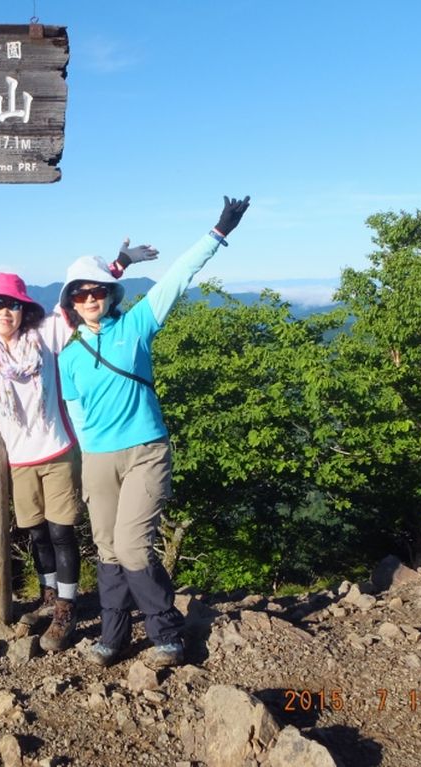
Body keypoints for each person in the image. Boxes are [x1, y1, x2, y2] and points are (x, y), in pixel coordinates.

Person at [58, 195, 250, 667]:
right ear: (70, 302)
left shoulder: (137, 325)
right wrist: (89, 456)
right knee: (105, 547)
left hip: (145, 451)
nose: (89, 300)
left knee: (130, 544)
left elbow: (178, 277)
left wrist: (218, 232)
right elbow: (76, 412)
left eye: (96, 291)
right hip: (100, 461)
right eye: (79, 294)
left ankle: (166, 633)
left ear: (110, 293)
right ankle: (113, 636)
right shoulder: (69, 355)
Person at [0, 240, 157, 652]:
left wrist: (120, 263)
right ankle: (48, 595)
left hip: (56, 451)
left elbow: (82, 298)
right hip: (18, 459)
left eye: (13, 304)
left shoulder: (46, 335)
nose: (4, 311)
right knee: (36, 533)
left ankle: (67, 608)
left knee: (61, 532)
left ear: (25, 308)